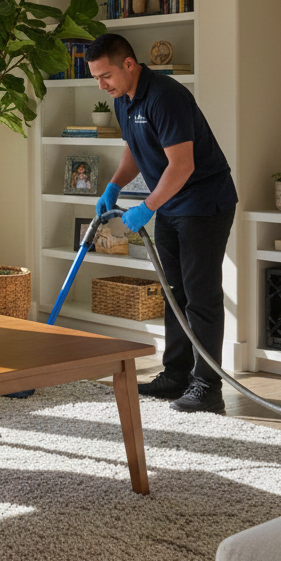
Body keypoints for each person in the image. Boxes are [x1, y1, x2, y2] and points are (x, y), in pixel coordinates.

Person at [86, 33, 237, 413]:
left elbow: (182, 165)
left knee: (200, 295)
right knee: (174, 292)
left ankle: (208, 387)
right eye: (96, 78)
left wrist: (147, 207)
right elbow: (135, 148)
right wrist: (114, 185)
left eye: (105, 76)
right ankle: (176, 375)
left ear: (129, 64)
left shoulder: (165, 96)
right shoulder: (124, 99)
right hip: (171, 202)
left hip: (203, 202)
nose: (102, 85)